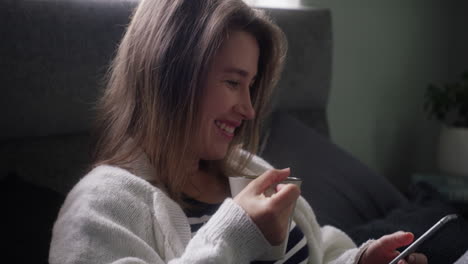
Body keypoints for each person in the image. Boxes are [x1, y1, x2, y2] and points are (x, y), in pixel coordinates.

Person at [49, 0, 428, 263]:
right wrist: (236, 233)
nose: (248, 110)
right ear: (171, 76)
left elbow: (317, 253)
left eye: (251, 87)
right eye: (233, 82)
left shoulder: (246, 169)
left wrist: (357, 260)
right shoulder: (98, 210)